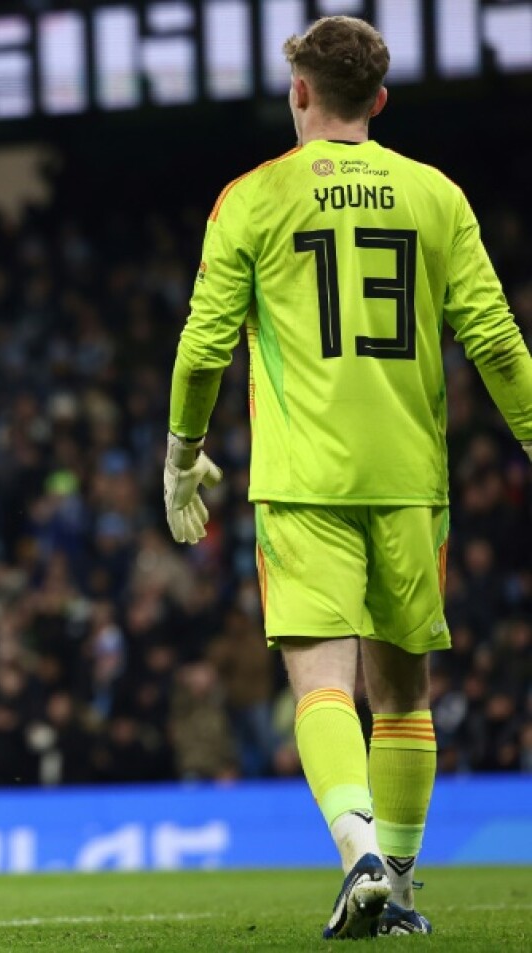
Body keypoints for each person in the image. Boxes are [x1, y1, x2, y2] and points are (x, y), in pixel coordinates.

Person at [163, 15, 532, 940]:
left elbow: (203, 344)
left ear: (299, 93)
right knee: (404, 695)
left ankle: (358, 849)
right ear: (379, 100)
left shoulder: (251, 197)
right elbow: (493, 339)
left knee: (323, 685)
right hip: (411, 478)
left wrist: (181, 453)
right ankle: (399, 887)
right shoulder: (435, 194)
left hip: (302, 480)